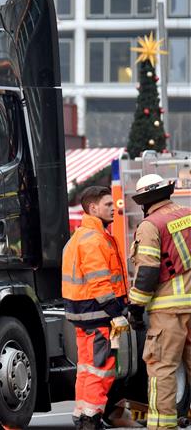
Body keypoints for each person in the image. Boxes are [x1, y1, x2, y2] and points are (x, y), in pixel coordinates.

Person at [63, 186, 130, 430]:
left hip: (84, 314)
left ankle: (83, 414)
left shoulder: (82, 236)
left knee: (87, 367)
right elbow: (100, 283)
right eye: (107, 205)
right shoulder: (94, 240)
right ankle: (90, 417)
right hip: (98, 313)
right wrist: (117, 312)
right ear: (93, 208)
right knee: (101, 368)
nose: (114, 208)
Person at [127, 174, 191, 430]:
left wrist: (135, 306)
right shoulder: (188, 215)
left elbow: (148, 271)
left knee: (162, 370)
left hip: (168, 312)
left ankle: (162, 426)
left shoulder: (150, 225)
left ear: (144, 201)